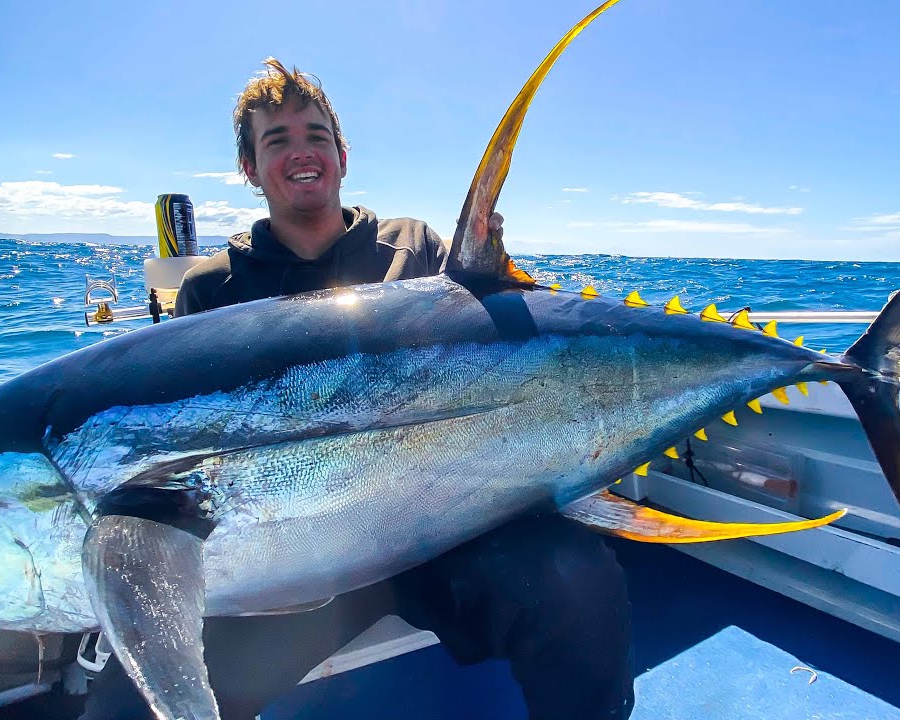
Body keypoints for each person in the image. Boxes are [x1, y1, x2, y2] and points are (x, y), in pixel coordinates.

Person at [83, 58, 634, 720]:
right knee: (127, 703)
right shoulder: (212, 288)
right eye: (275, 141)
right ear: (250, 170)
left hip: (440, 536)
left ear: (342, 154)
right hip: (292, 565)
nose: (300, 152)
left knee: (576, 580)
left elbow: (506, 363)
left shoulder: (414, 249)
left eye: (315, 135)